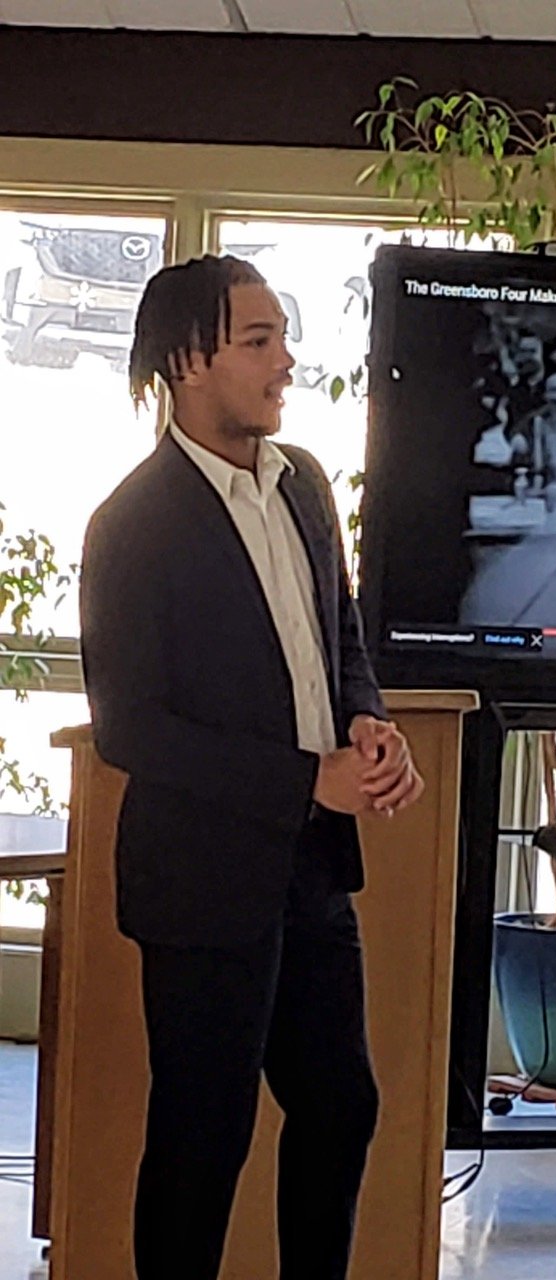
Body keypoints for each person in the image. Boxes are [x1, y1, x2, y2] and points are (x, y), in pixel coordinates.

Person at [79, 254, 424, 1280]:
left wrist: (369, 723)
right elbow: (131, 728)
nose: (286, 362)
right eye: (259, 341)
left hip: (313, 869)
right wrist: (303, 778)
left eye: (284, 338)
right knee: (205, 1133)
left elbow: (338, 640)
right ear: (189, 361)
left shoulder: (305, 483)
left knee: (342, 1104)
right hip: (199, 878)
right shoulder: (129, 525)